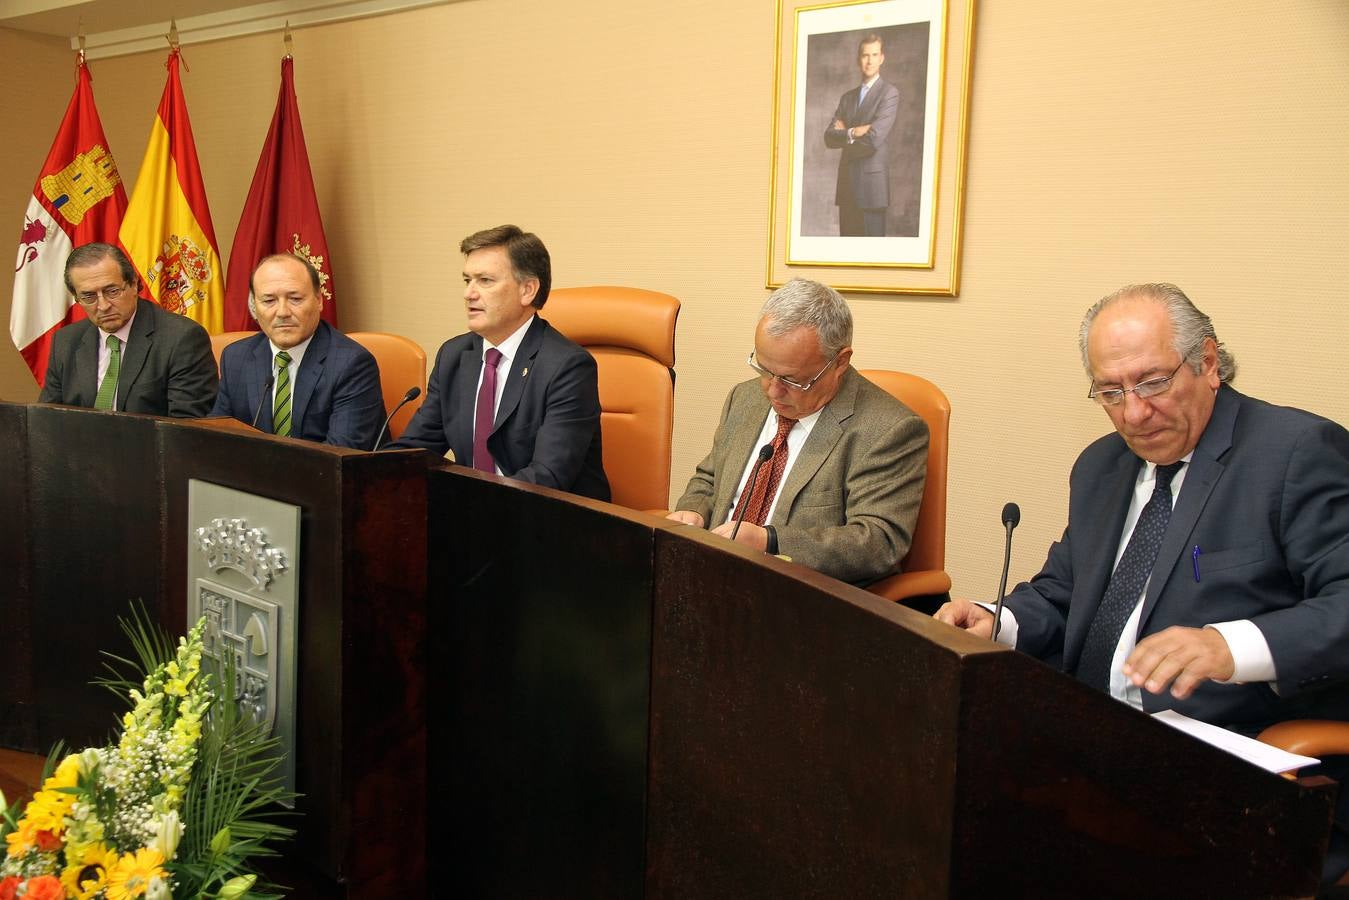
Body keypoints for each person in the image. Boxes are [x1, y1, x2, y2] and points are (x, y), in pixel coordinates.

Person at [934, 283, 1349, 883]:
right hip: (1087, 745)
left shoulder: (1294, 453)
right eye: (1111, 391)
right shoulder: (1102, 465)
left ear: (1208, 362)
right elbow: (1061, 591)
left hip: (1227, 765)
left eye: (1152, 382)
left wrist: (1228, 646)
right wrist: (999, 619)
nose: (1133, 413)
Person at [667, 278, 927, 586]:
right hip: (711, 575)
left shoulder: (889, 430)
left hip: (799, 594)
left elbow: (878, 542)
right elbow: (709, 478)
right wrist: (694, 512)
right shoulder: (745, 398)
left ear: (840, 362)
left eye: (793, 380)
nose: (773, 391)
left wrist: (771, 542)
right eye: (764, 369)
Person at [391, 225, 609, 502]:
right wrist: (375, 474)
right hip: (475, 517)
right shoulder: (454, 356)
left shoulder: (567, 367)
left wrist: (463, 502)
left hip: (550, 523)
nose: (469, 293)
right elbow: (416, 447)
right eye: (467, 280)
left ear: (527, 290)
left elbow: (548, 477)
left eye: (485, 281)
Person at [211, 253, 385, 449]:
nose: (283, 312)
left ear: (318, 300)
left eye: (295, 299)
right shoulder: (236, 357)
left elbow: (341, 454)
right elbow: (215, 441)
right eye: (269, 301)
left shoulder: (351, 364)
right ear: (254, 306)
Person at [39, 242, 217, 417]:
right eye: (89, 296)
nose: (103, 305)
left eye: (112, 291)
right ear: (77, 298)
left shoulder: (182, 338)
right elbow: (46, 420)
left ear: (134, 285)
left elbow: (187, 430)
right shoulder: (66, 341)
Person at [823, 33, 900, 237]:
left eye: (874, 55)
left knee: (872, 258)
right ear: (859, 58)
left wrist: (845, 134)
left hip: (872, 190)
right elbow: (829, 137)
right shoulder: (847, 98)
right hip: (847, 187)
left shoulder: (889, 93)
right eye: (865, 55)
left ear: (882, 58)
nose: (869, 60)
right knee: (846, 259)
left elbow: (873, 140)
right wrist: (854, 132)